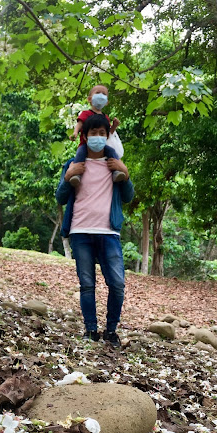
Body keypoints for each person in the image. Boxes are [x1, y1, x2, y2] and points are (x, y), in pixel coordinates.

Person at [56, 113, 134, 347]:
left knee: (117, 284)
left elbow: (128, 197)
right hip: (80, 231)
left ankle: (111, 331)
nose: (98, 137)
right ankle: (91, 330)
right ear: (85, 136)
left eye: (102, 133)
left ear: (108, 135)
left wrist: (126, 174)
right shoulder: (74, 164)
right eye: (93, 133)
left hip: (109, 232)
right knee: (87, 284)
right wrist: (68, 177)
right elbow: (60, 198)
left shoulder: (115, 166)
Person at [69, 84, 125, 186]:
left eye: (104, 94)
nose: (101, 95)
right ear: (89, 99)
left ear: (107, 102)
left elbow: (108, 133)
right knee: (80, 154)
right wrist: (75, 133)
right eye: (98, 93)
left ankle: (116, 172)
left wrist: (114, 126)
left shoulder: (106, 118)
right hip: (85, 144)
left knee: (112, 152)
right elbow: (79, 124)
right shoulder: (85, 114)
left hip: (103, 147)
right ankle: (76, 175)